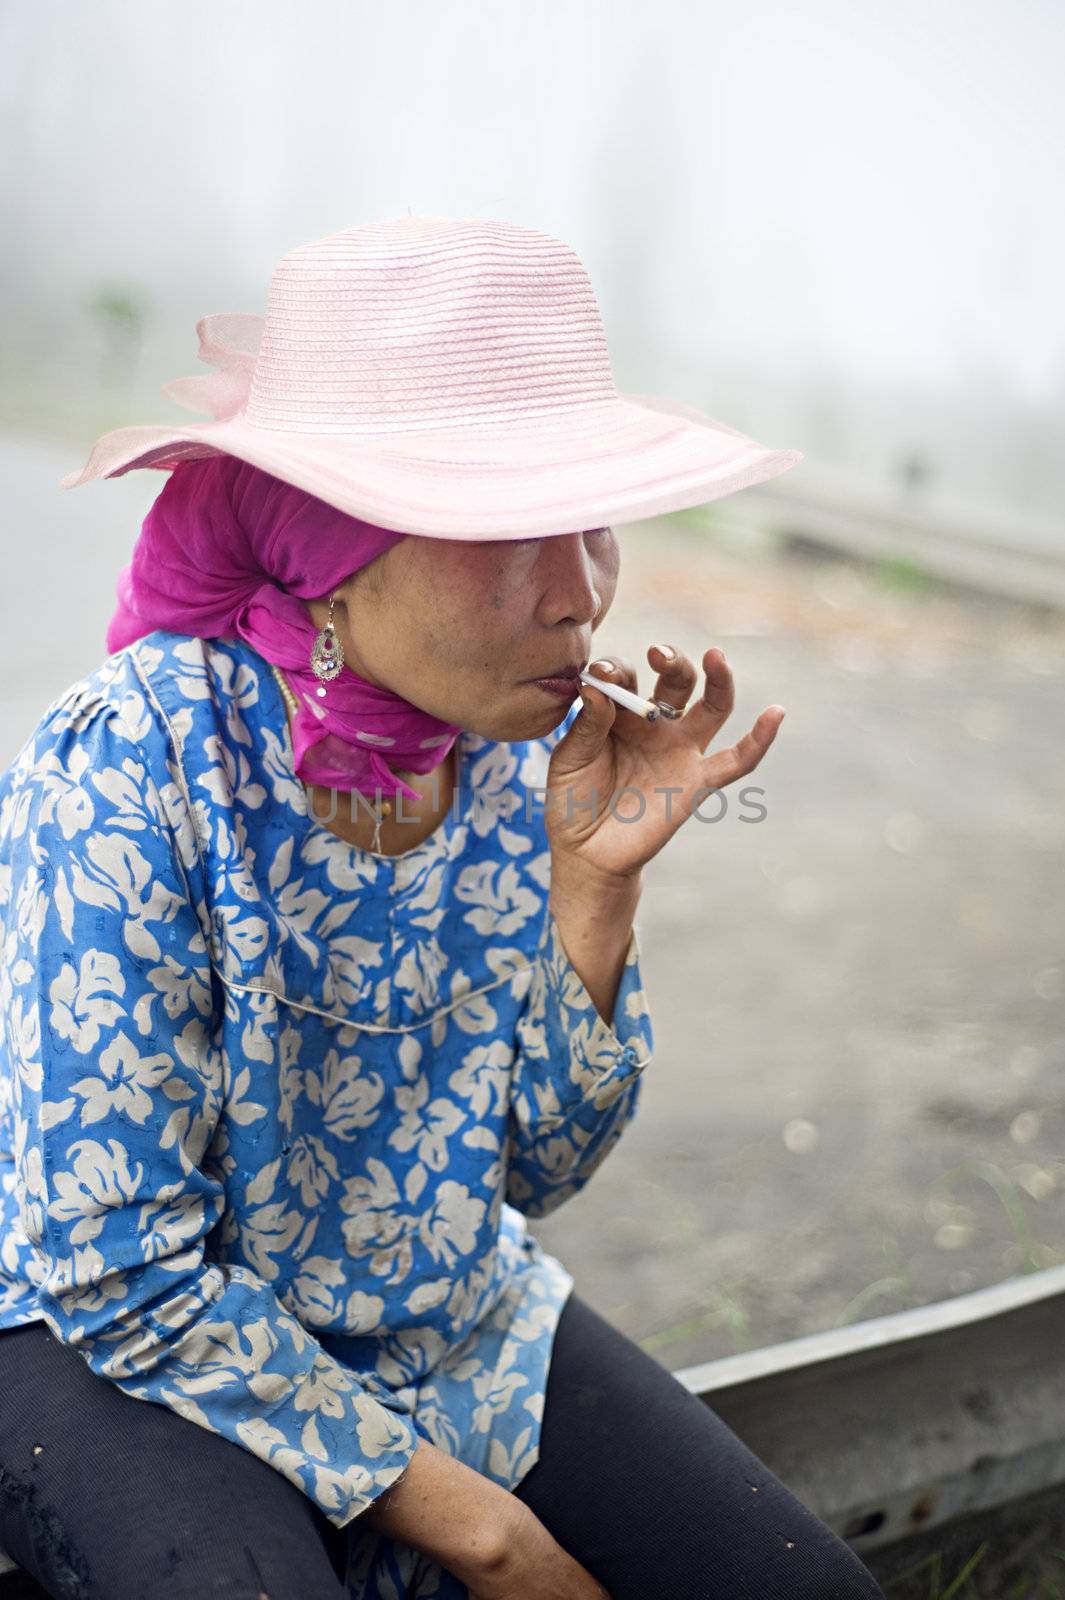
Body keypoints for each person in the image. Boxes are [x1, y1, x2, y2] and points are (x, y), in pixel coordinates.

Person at [0, 216, 885, 1599]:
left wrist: (596, 889)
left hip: (430, 1303)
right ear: (332, 556)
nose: (580, 594)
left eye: (587, 523)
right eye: (504, 533)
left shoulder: (516, 757)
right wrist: (493, 1531)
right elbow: (120, 1271)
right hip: (113, 1337)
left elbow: (525, 1177)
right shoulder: (138, 756)